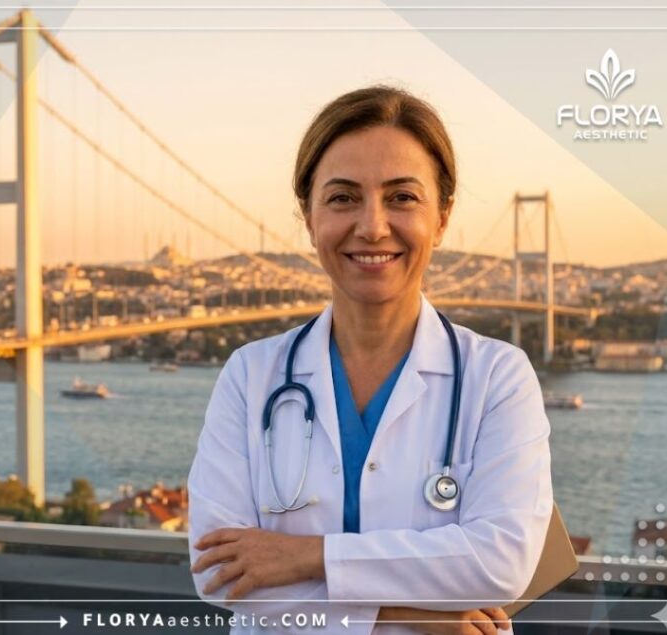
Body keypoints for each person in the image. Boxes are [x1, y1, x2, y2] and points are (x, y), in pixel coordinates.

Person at [187, 85, 553, 635]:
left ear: (443, 215)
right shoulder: (249, 376)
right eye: (342, 198)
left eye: (402, 197)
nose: (373, 226)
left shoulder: (498, 377)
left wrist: (308, 556)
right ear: (308, 217)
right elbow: (220, 577)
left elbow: (502, 564)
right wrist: (403, 614)